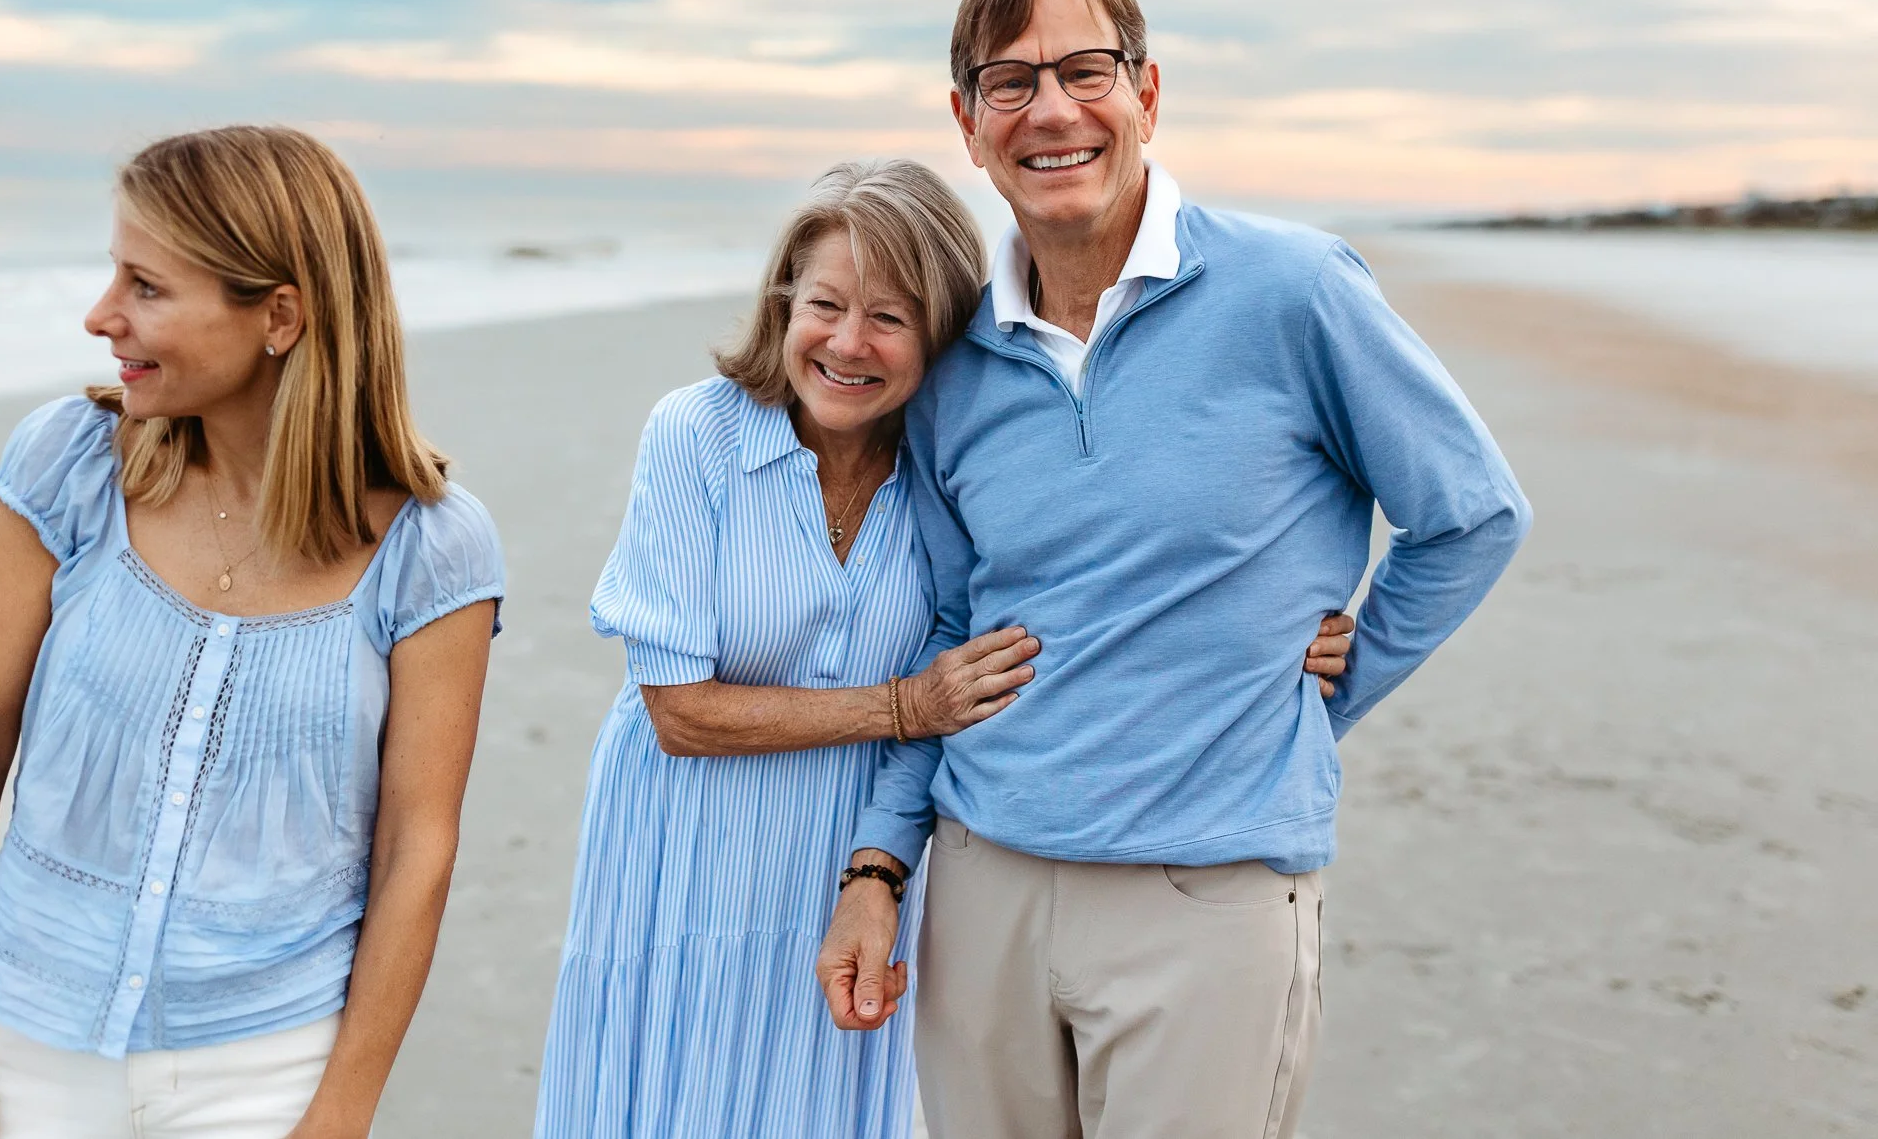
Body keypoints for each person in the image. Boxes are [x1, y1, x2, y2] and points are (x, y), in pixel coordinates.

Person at [818, 0, 1533, 1139]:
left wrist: (1326, 686)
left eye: (1084, 69)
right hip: (982, 882)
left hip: (1205, 893)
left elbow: (1469, 514)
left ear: (1145, 95)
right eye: (1009, 81)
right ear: (967, 121)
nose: (1051, 109)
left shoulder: (1292, 292)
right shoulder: (950, 365)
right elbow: (948, 635)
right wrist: (876, 868)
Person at [533, 157, 1369, 1138]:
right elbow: (677, 711)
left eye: (887, 317)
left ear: (939, 334)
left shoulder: (952, 463)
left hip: (851, 854)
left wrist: (1274, 630)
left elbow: (1043, 618)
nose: (847, 343)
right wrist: (900, 706)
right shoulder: (694, 438)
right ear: (782, 304)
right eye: (824, 305)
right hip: (678, 855)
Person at [0, 127, 505, 1139]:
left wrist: (341, 1110)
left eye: (145, 286)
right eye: (113, 275)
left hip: (266, 1072)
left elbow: (418, 849)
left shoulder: (434, 549)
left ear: (278, 315)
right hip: (20, 1042)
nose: (102, 317)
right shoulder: (70, 466)